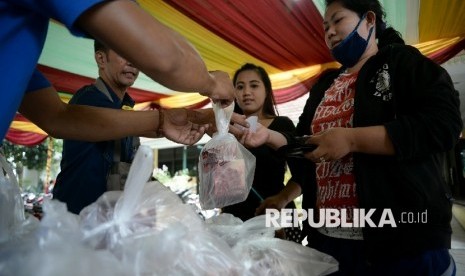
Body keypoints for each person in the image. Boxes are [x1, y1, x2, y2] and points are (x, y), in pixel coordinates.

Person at [240, 0, 462, 275]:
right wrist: (268, 136)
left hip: (401, 241)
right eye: (325, 27)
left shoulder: (402, 63)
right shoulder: (325, 84)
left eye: (337, 20)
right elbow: (305, 143)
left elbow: (444, 125)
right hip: (330, 241)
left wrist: (353, 139)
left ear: (369, 20)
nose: (329, 31)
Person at [0, 0, 239, 148]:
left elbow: (57, 117)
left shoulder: (11, 49)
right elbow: (167, 58)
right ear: (100, 59)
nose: (133, 62)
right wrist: (212, 82)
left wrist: (175, 119)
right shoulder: (90, 96)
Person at [53, 40, 141, 214]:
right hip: (75, 219)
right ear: (101, 59)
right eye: (124, 54)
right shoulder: (87, 100)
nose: (132, 63)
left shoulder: (127, 107)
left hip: (107, 221)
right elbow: (116, 122)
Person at [222, 63, 302, 242]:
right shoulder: (226, 131)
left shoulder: (282, 125)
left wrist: (281, 199)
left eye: (254, 85)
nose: (246, 92)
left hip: (275, 216)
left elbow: (303, 175)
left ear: (267, 91)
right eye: (240, 87)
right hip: (236, 221)